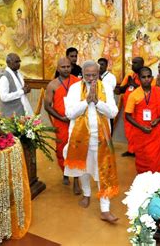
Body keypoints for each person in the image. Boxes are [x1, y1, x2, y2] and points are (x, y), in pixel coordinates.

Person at [64, 60, 119, 223]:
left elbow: (113, 113)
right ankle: (87, 194)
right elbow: (70, 113)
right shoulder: (74, 89)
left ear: (99, 74)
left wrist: (97, 102)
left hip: (101, 138)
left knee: (104, 172)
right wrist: (86, 101)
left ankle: (105, 209)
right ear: (82, 74)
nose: (90, 78)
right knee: (84, 169)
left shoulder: (106, 88)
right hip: (80, 139)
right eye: (87, 75)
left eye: (94, 75)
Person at [44, 57, 81, 193]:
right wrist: (60, 117)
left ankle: (76, 181)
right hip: (61, 122)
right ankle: (65, 172)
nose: (66, 69)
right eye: (63, 67)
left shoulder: (78, 83)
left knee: (76, 149)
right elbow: (47, 106)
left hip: (76, 121)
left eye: (68, 66)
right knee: (61, 150)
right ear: (58, 68)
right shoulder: (52, 85)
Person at [125, 67, 160, 176]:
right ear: (139, 79)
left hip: (155, 133)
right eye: (143, 77)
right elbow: (127, 116)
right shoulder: (134, 95)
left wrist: (157, 120)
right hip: (141, 134)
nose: (146, 79)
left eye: (149, 76)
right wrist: (141, 127)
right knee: (143, 161)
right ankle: (145, 183)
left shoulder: (158, 91)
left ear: (152, 78)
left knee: (157, 160)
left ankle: (159, 183)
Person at [119, 57, 144, 157]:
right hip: (128, 109)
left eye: (135, 63)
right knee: (128, 130)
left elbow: (148, 90)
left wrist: (133, 84)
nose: (133, 65)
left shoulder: (144, 76)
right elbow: (121, 89)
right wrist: (127, 85)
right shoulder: (130, 75)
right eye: (132, 63)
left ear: (142, 64)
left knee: (137, 131)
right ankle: (131, 150)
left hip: (138, 109)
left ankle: (138, 151)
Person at [0, 53, 33, 117]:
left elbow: (20, 89)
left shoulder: (18, 73)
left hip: (20, 111)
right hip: (10, 115)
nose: (18, 64)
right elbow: (3, 97)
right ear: (8, 62)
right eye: (16, 62)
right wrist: (22, 91)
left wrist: (26, 89)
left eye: (19, 62)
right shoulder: (4, 77)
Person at [98, 57, 117, 135]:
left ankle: (109, 141)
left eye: (102, 64)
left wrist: (100, 81)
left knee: (108, 123)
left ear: (106, 66)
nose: (100, 66)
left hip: (107, 103)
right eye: (98, 64)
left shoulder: (111, 77)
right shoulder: (95, 76)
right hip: (97, 103)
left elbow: (109, 89)